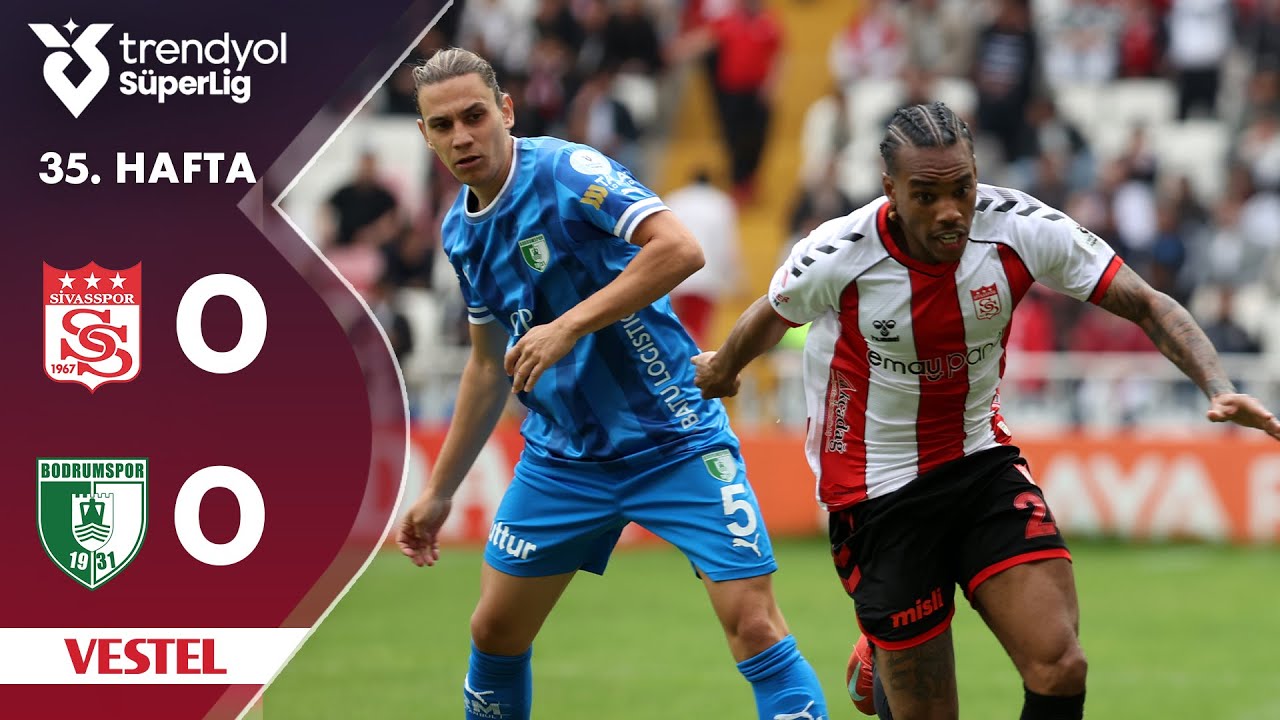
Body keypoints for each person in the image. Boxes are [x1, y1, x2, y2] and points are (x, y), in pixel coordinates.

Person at [692, 101, 1280, 720]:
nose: (950, 210)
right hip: (876, 489)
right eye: (926, 196)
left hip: (979, 460)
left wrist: (1216, 384)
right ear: (891, 190)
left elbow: (1146, 302)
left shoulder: (1019, 227)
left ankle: (888, 644)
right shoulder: (840, 251)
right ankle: (885, 646)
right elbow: (770, 314)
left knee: (1061, 666)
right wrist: (724, 369)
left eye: (962, 189)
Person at [394, 47, 829, 720]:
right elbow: (485, 365)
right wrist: (439, 491)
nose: (462, 137)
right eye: (443, 125)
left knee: (755, 626)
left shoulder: (567, 171)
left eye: (474, 116)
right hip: (563, 460)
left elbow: (680, 248)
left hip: (674, 439)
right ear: (425, 135)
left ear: (506, 111)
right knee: (494, 631)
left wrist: (567, 326)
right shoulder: (461, 233)